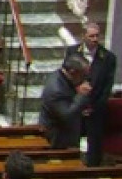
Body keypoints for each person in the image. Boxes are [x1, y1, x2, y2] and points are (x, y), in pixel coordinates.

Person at [66, 22, 117, 166]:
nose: (95, 39)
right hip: (75, 107)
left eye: (97, 36)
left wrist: (92, 107)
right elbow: (68, 79)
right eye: (91, 36)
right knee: (71, 142)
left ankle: (92, 171)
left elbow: (107, 88)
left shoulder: (108, 58)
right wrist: (77, 103)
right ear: (83, 36)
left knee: (94, 146)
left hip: (95, 109)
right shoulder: (72, 52)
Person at [39, 53, 92, 149]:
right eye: (83, 75)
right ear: (73, 72)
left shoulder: (63, 77)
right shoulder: (56, 90)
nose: (85, 79)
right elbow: (67, 116)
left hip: (67, 136)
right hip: (58, 141)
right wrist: (81, 96)